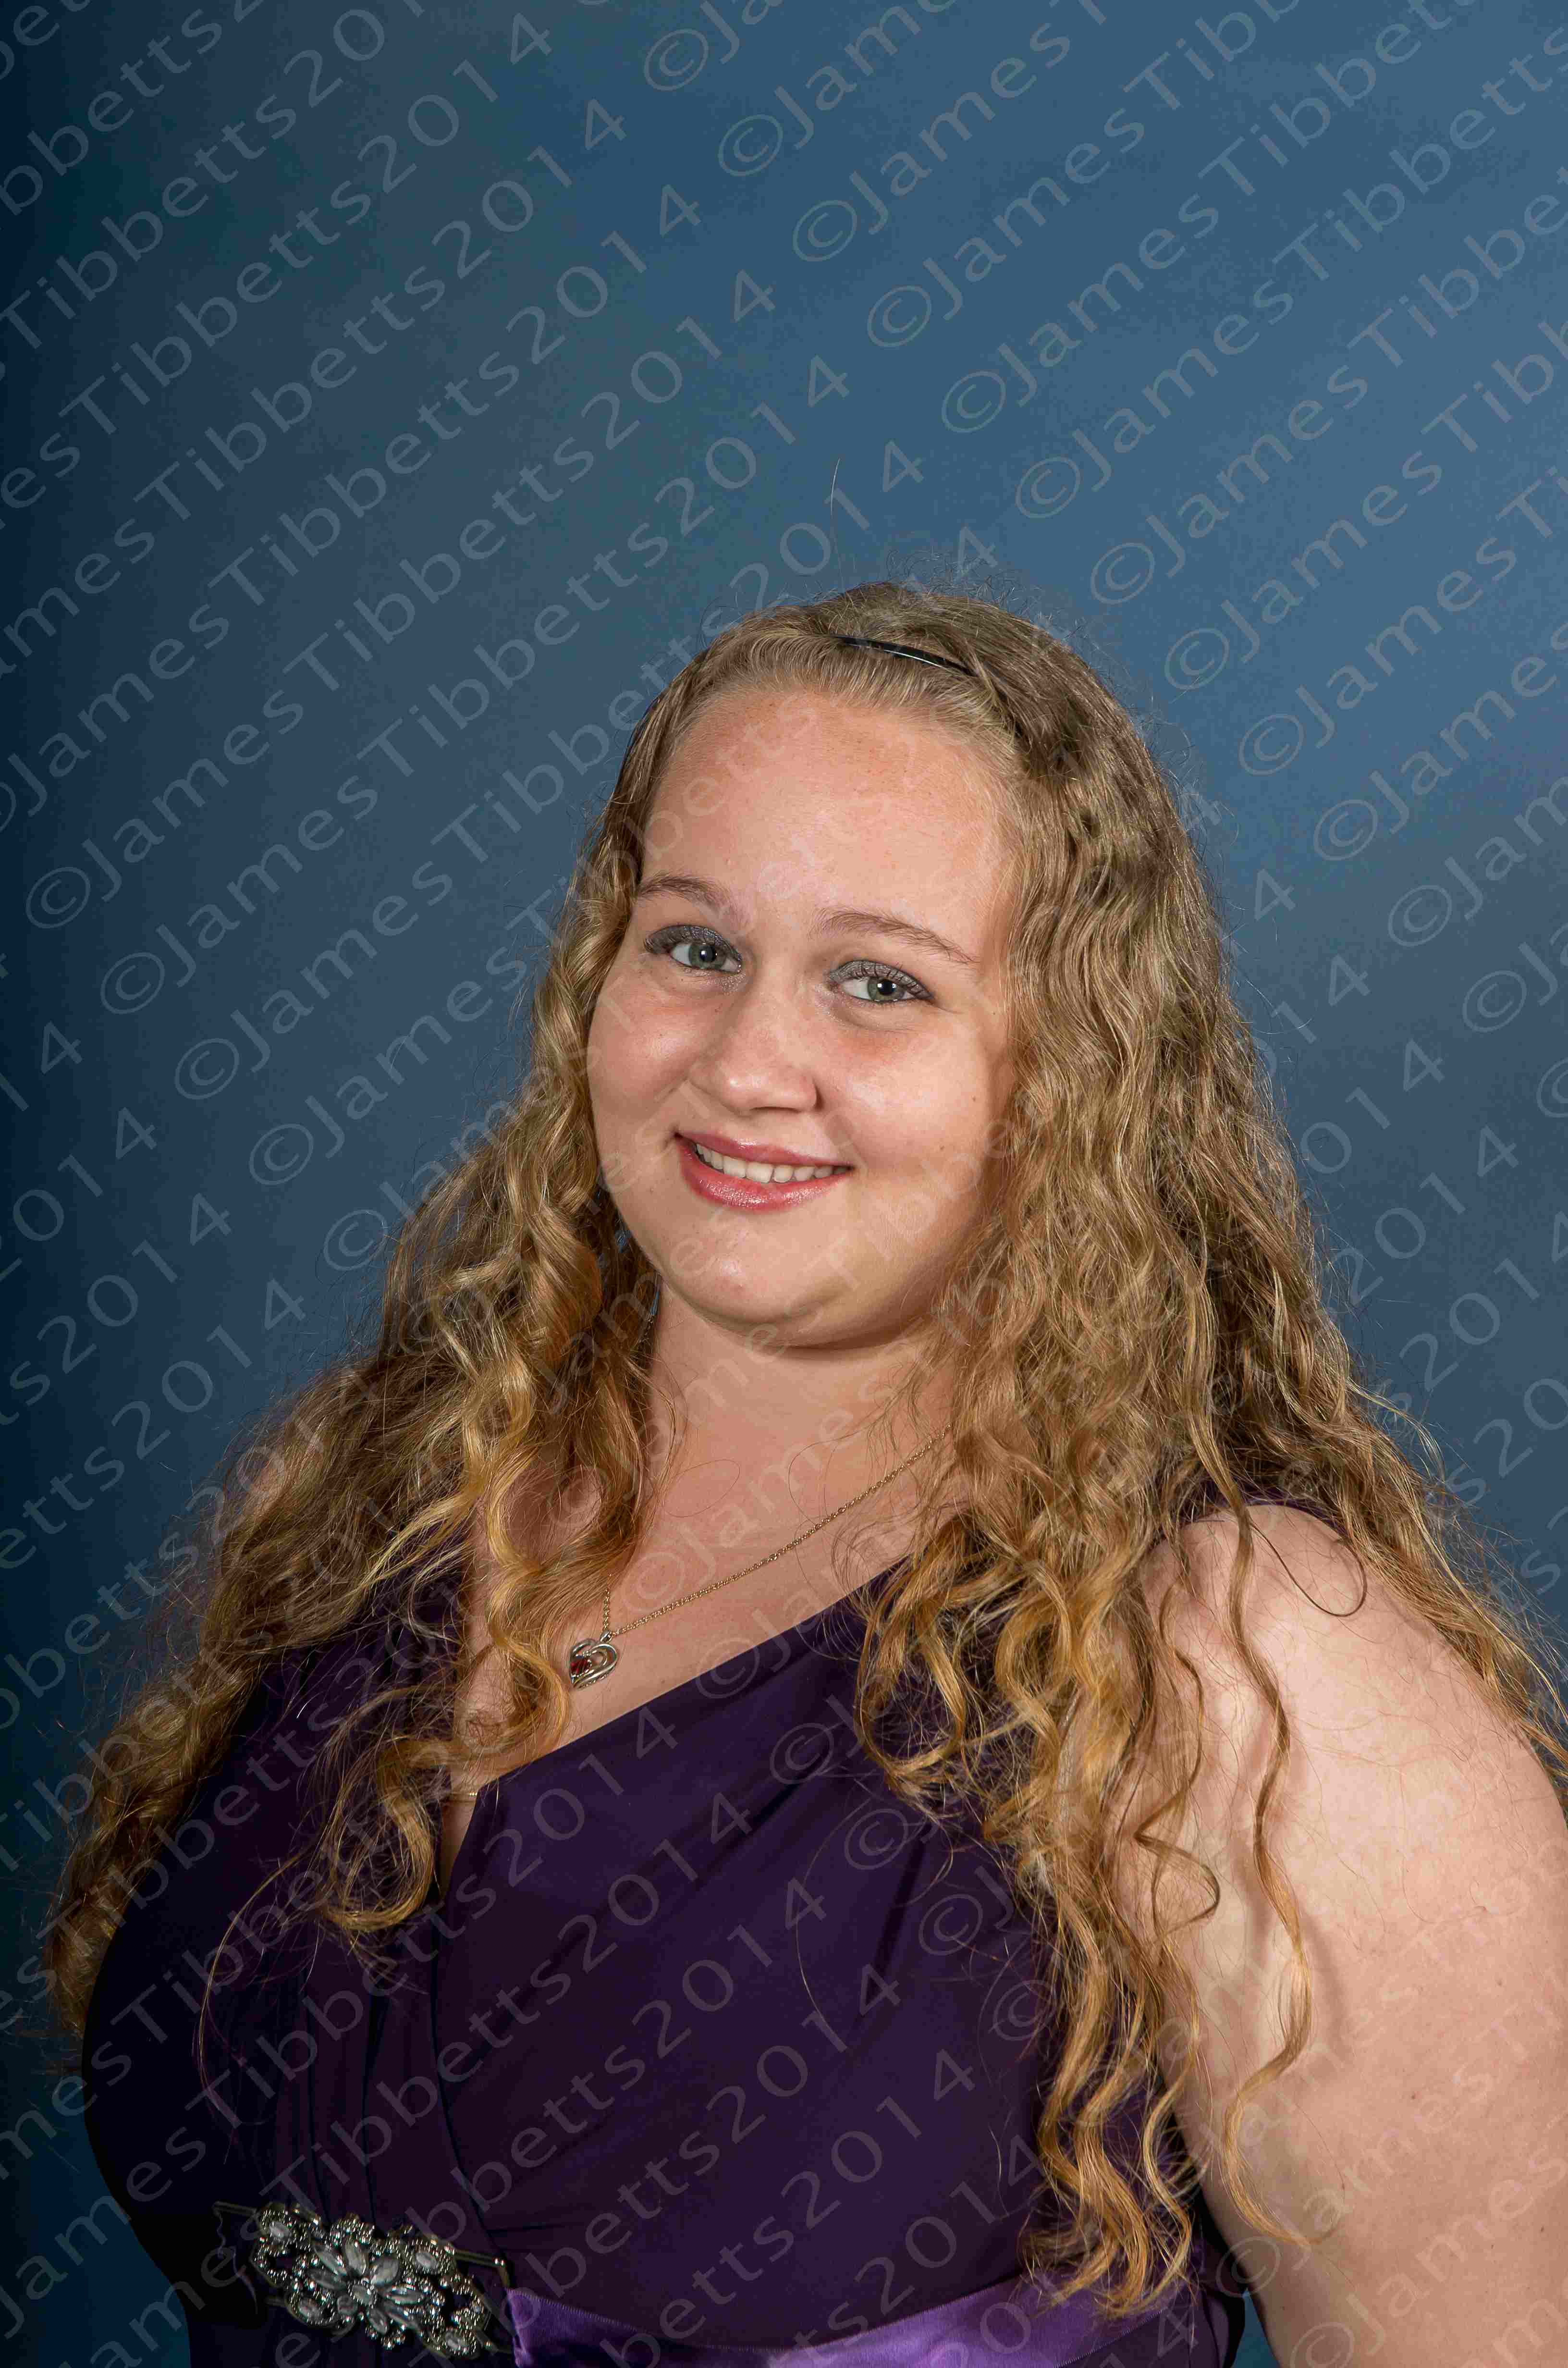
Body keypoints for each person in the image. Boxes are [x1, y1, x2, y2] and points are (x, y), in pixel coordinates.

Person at [43, 580, 1568, 2368]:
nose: (750, 1064)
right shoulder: (369, 1492)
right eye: (694, 946)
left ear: (1071, 1068)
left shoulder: (1255, 1672)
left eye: (879, 982)